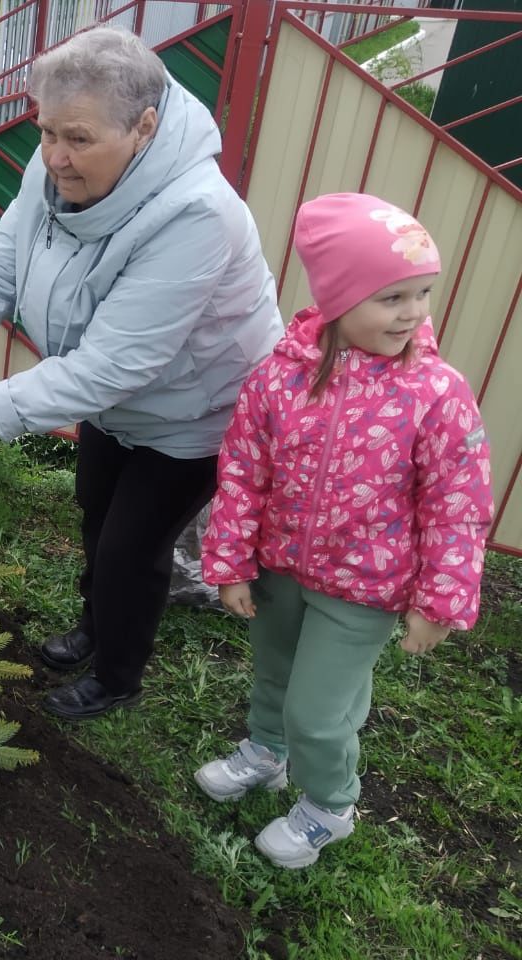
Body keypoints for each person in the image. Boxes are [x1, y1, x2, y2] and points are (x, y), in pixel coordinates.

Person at [0, 25, 283, 719]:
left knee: (130, 549)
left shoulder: (197, 214)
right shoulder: (53, 170)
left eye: (78, 138)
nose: (55, 155)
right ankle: (96, 626)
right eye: (46, 131)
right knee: (95, 511)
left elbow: (118, 362)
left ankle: (117, 674)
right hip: (114, 401)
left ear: (143, 127)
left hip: (194, 411)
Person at [195, 193, 493, 869]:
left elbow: (458, 503)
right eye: (392, 298)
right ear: (335, 298)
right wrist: (233, 560)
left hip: (365, 589)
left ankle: (330, 805)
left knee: (319, 712)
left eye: (421, 293)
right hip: (280, 570)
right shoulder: (279, 377)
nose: (413, 312)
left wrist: (440, 600)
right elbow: (243, 469)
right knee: (272, 675)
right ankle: (266, 753)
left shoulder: (437, 394)